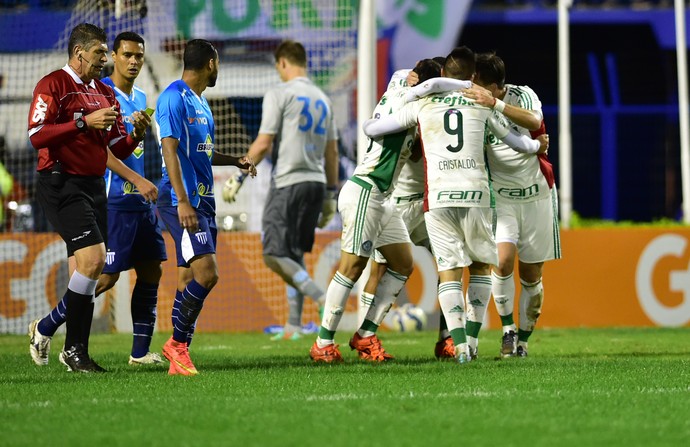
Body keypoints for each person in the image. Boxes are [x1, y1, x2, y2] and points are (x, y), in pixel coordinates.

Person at [363, 46, 548, 363]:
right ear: (472, 76)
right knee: (478, 268)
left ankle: (459, 346)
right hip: (476, 195)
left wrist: (411, 90)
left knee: (448, 271)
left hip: (437, 198)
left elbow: (373, 127)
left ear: (444, 74)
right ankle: (467, 345)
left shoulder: (424, 103)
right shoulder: (483, 104)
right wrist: (537, 145)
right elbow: (518, 142)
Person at [310, 58, 474, 363]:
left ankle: (365, 336)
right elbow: (425, 90)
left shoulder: (400, 85)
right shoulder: (409, 105)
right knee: (351, 268)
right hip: (365, 190)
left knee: (401, 263)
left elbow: (406, 75)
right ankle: (323, 343)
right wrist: (466, 86)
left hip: (383, 199)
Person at [28, 31, 166, 366]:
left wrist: (135, 133)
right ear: (79, 52)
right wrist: (81, 121)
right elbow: (36, 135)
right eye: (100, 52)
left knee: (91, 269)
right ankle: (73, 349)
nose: (103, 59)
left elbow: (116, 148)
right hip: (61, 183)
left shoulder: (104, 92)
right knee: (94, 262)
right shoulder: (53, 84)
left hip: (93, 188)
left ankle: (64, 343)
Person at [222, 40, 339, 341]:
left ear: (283, 63)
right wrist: (330, 195)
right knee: (294, 253)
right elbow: (332, 153)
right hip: (315, 184)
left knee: (273, 254)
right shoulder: (323, 99)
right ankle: (295, 324)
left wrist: (240, 176)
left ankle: (322, 298)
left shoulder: (280, 93)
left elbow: (263, 143)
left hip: (289, 182)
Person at [156, 39, 255, 376]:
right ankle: (177, 345)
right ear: (211, 63)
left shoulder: (201, 103)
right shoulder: (172, 97)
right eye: (219, 63)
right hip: (181, 200)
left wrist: (236, 161)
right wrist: (182, 201)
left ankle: (178, 360)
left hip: (203, 201)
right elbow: (168, 149)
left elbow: (204, 152)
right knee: (207, 274)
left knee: (186, 279)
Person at [462, 52, 561, 358]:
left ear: (493, 86)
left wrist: (497, 105)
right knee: (502, 262)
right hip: (501, 197)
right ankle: (508, 330)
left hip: (537, 196)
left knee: (531, 274)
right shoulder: (472, 102)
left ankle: (523, 343)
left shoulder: (523, 94)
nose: (471, 85)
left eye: (476, 81)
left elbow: (535, 121)